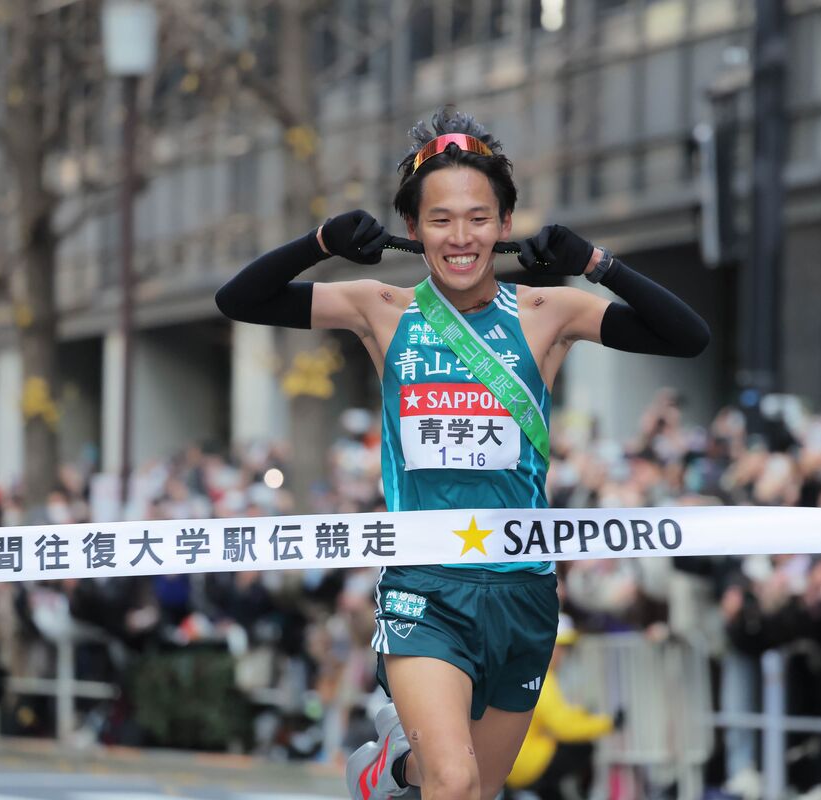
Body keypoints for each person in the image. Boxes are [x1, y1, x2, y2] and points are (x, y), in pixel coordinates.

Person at [215, 107, 709, 800]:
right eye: (440, 220)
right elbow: (240, 299)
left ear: (505, 224)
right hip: (426, 587)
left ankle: (396, 768)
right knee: (453, 781)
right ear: (413, 229)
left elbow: (687, 339)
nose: (460, 237)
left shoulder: (548, 313)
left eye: (479, 218)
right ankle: (407, 766)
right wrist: (320, 240)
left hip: (524, 592)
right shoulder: (380, 307)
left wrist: (597, 265)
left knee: (469, 791)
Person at [505, 614, 615, 800]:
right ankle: (582, 793)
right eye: (561, 647)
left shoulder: (526, 671)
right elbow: (563, 727)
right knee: (583, 748)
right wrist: (608, 724)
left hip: (508, 763)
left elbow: (560, 718)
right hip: (527, 764)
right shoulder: (542, 678)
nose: (564, 654)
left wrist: (584, 715)